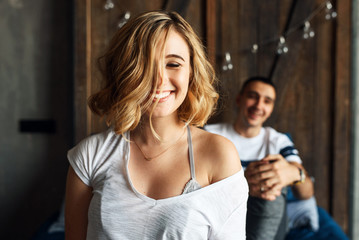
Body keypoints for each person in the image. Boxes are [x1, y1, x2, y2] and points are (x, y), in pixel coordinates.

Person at [65, 10, 248, 240]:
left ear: (191, 72)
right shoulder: (90, 155)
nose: (159, 80)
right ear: (124, 72)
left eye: (173, 64)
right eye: (145, 65)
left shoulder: (219, 154)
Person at [205, 76, 314, 240]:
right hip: (221, 211)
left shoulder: (279, 141)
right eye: (253, 96)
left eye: (267, 101)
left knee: (275, 181)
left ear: (271, 109)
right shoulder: (209, 134)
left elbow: (306, 194)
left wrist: (294, 174)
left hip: (264, 216)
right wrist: (244, 185)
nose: (258, 106)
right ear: (239, 99)